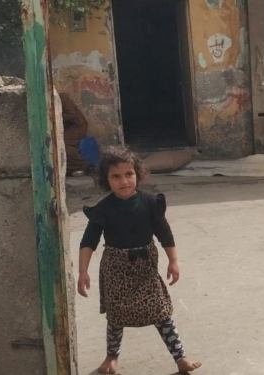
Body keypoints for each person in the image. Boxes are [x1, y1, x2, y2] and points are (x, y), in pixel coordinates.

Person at [77, 146, 201, 374]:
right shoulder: (103, 209)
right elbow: (88, 241)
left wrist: (173, 261)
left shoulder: (151, 203)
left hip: (146, 268)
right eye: (115, 176)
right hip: (116, 269)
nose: (124, 181)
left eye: (129, 174)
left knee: (161, 312)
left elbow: (164, 233)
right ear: (106, 180)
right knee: (116, 316)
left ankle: (180, 357)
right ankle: (111, 358)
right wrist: (82, 272)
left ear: (138, 174)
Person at [59, 92, 89, 176]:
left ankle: (81, 166)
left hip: (78, 125)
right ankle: (69, 168)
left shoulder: (62, 98)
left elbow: (72, 115)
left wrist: (56, 115)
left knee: (64, 144)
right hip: (69, 127)